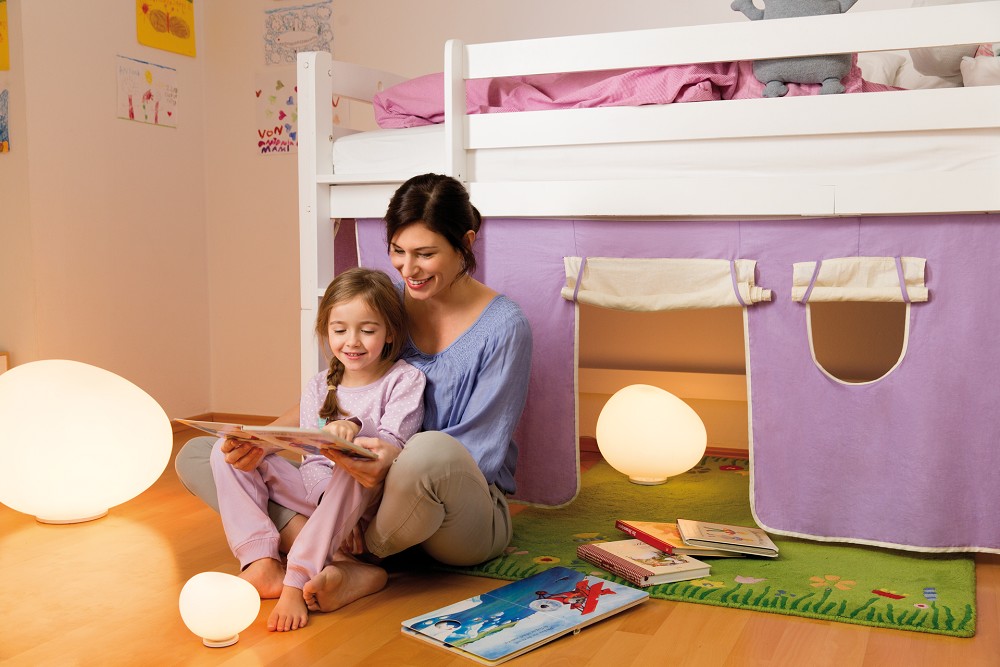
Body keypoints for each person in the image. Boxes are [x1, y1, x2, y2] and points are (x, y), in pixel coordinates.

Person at [175, 173, 533, 617]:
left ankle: (324, 544)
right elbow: (336, 393)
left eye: (425, 254)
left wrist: (386, 468)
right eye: (398, 251)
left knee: (427, 450)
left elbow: (479, 457)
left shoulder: (505, 327)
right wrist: (261, 442)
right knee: (206, 453)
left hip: (453, 509)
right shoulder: (381, 307)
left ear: (465, 243)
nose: (408, 269)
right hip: (360, 489)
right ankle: (343, 558)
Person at [209, 266, 425, 632]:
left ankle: (296, 579)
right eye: (340, 330)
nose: (352, 342)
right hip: (320, 493)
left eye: (367, 330)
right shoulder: (318, 385)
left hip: (370, 498)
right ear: (326, 330)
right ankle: (260, 561)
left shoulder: (405, 379)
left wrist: (352, 433)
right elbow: (309, 459)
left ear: (389, 332)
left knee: (354, 462)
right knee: (224, 453)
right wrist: (260, 447)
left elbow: (392, 449)